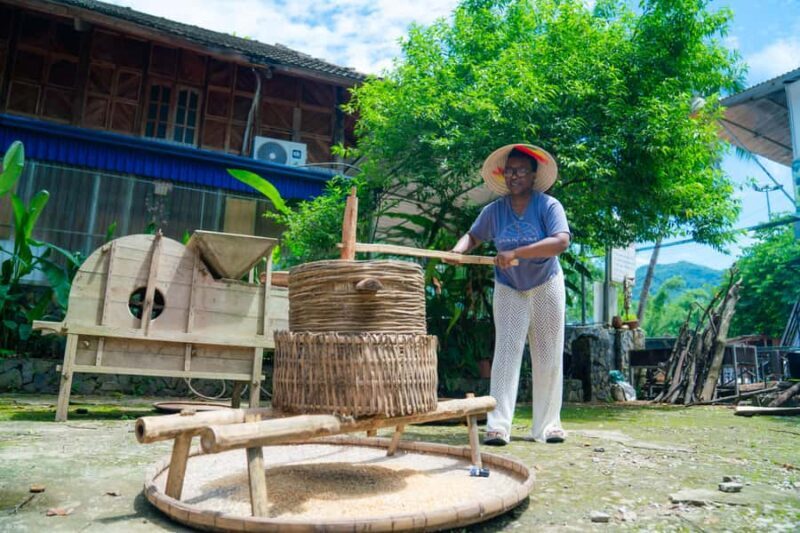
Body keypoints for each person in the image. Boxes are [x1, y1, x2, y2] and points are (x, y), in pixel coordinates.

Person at [450, 144, 570, 445]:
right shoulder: (494, 211)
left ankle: (547, 426)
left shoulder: (548, 206)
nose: (513, 176)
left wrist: (516, 251)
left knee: (547, 353)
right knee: (505, 352)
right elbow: (474, 235)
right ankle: (498, 426)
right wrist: (458, 250)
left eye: (520, 170)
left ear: (532, 176)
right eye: (509, 170)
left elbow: (560, 242)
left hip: (545, 282)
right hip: (509, 286)